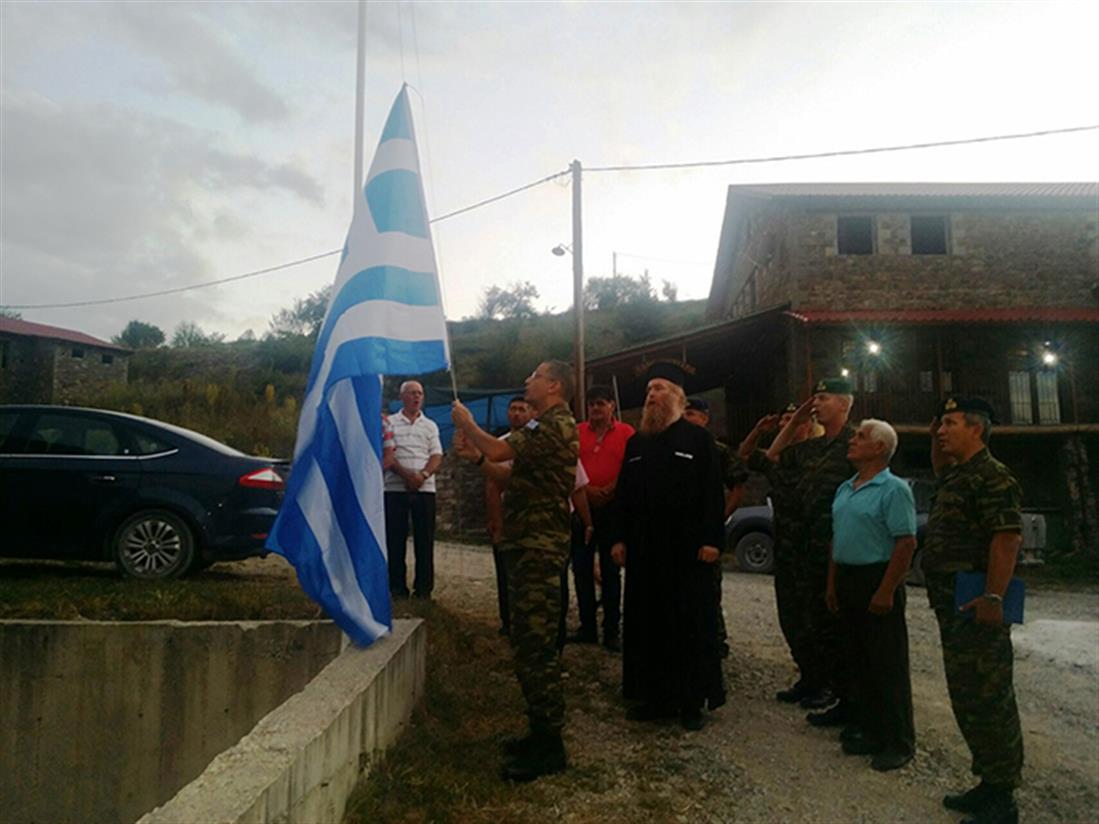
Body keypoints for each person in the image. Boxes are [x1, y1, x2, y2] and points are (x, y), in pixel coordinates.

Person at [451, 360, 578, 782]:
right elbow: (507, 475)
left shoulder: (555, 425)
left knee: (537, 647)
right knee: (526, 642)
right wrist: (475, 462)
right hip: (527, 544)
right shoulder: (541, 426)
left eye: (536, 376)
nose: (528, 380)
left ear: (555, 385)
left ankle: (550, 745)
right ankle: (539, 732)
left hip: (540, 547)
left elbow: (501, 451)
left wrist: (469, 424)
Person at [924, 397, 1024, 824]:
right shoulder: (956, 474)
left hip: (979, 603)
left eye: (950, 423)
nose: (941, 430)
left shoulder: (993, 477)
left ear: (976, 429)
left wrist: (995, 598)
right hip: (955, 603)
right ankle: (988, 782)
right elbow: (937, 461)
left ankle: (1002, 798)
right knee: (967, 696)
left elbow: (1006, 539)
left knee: (990, 697)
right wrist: (936, 433)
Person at [610, 362, 725, 731]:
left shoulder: (697, 440)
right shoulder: (637, 443)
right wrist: (618, 538)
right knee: (648, 626)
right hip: (645, 555)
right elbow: (623, 496)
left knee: (688, 625)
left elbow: (712, 494)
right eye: (648, 391)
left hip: (687, 555)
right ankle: (655, 697)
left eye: (658, 389)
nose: (651, 396)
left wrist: (712, 540)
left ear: (677, 396)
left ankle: (691, 701)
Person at [825, 419, 917, 772]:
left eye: (861, 437)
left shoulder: (893, 489)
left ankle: (899, 741)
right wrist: (832, 584)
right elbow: (837, 538)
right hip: (847, 577)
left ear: (880, 448)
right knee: (858, 658)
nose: (853, 440)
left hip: (877, 578)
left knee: (887, 663)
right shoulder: (845, 488)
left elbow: (906, 542)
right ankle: (869, 729)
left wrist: (885, 590)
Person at [768, 377, 856, 722]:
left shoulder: (855, 443)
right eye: (814, 399)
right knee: (794, 616)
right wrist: (797, 417)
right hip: (797, 550)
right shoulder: (813, 448)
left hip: (830, 551)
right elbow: (773, 455)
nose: (816, 404)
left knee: (826, 622)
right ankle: (810, 677)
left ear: (844, 405)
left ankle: (833, 687)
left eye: (823, 398)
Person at [738, 403, 816, 701]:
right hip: (786, 549)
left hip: (814, 552)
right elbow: (745, 454)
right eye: (785, 421)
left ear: (809, 425)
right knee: (791, 617)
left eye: (795, 421)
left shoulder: (818, 455)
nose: (790, 425)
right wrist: (759, 430)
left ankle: (826, 683)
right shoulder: (779, 462)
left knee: (815, 620)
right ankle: (807, 676)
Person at [569, 384, 634, 651]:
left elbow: (631, 465)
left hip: (613, 509)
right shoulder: (576, 432)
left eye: (601, 403)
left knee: (610, 571)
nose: (595, 408)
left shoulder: (627, 433)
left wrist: (611, 488)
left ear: (612, 406)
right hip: (582, 507)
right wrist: (587, 490)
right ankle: (587, 627)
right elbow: (571, 466)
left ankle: (611, 630)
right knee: (581, 569)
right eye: (592, 404)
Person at [684, 395, 747, 658]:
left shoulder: (716, 449)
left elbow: (739, 485)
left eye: (691, 414)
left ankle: (715, 641)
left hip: (705, 531)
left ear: (704, 418)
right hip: (680, 531)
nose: (686, 418)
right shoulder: (673, 445)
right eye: (683, 413)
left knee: (709, 589)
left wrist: (719, 517)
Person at [384, 380, 443, 600]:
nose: (416, 397)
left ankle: (424, 590)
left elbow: (437, 455)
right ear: (402, 397)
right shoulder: (389, 423)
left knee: (424, 540)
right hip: (395, 489)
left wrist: (423, 475)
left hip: (425, 489)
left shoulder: (430, 426)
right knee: (395, 539)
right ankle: (397, 588)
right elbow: (387, 454)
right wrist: (406, 475)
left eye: (420, 393)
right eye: (412, 393)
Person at [484, 396, 534, 635]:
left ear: (531, 414)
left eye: (521, 409)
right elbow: (492, 486)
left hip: (534, 519)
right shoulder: (500, 445)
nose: (516, 414)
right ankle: (508, 621)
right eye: (513, 409)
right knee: (506, 572)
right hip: (508, 516)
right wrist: (496, 522)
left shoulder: (539, 442)